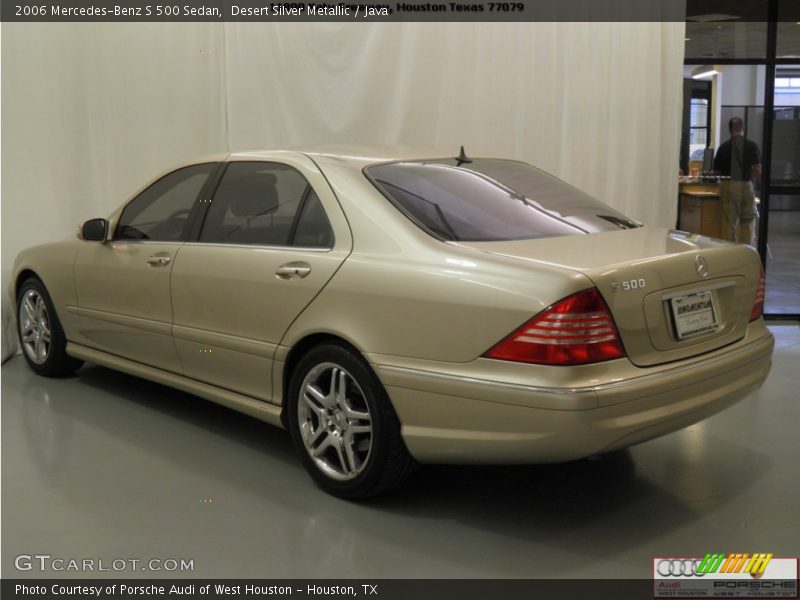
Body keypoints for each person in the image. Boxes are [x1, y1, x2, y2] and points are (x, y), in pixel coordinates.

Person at [713, 117, 762, 245]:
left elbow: (716, 172)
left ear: (730, 130)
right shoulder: (751, 146)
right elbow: (757, 169)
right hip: (746, 185)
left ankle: (729, 253)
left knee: (728, 222)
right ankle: (745, 252)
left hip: (728, 185)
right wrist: (762, 185)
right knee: (747, 220)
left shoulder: (723, 147)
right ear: (743, 129)